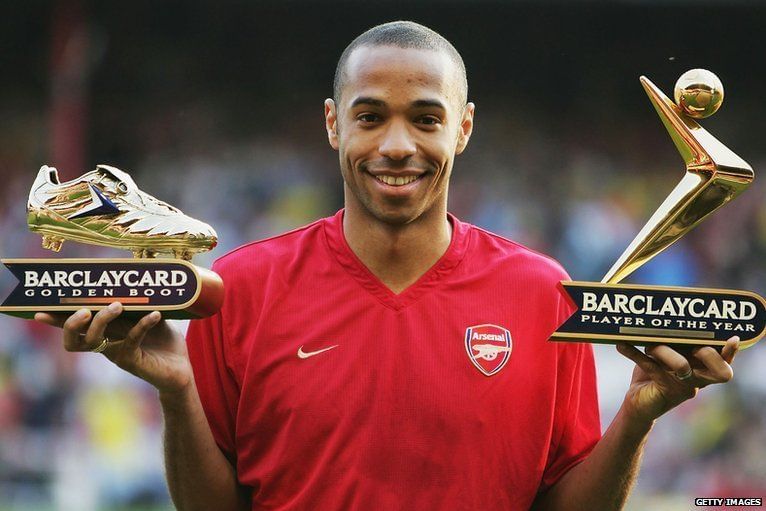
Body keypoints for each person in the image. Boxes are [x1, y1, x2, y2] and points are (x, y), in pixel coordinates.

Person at [36, 21, 739, 511]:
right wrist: (176, 390)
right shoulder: (243, 288)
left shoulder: (541, 292)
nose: (397, 144)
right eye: (370, 116)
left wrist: (642, 414)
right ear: (333, 123)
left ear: (462, 127)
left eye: (426, 119)